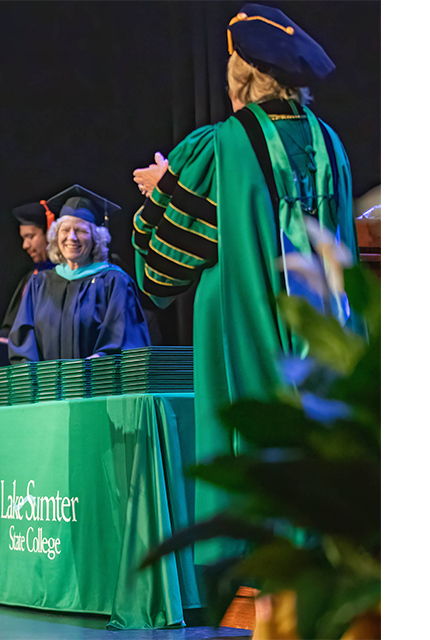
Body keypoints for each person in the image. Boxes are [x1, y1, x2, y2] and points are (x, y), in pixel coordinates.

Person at [130, 4, 357, 559]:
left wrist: (162, 188)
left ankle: (265, 598)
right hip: (326, 331)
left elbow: (162, 269)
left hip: (246, 323)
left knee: (255, 454)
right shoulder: (331, 143)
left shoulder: (222, 145)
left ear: (240, 80)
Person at [8, 184, 151, 362]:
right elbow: (23, 344)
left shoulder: (113, 282)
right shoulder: (39, 283)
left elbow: (124, 339)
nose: (71, 238)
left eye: (81, 230)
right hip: (47, 387)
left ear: (96, 239)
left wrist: (94, 366)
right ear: (55, 235)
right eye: (65, 230)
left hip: (98, 384)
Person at [0, 201, 55, 354]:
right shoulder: (31, 278)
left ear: (50, 233)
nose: (25, 245)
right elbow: (11, 325)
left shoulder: (62, 278)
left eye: (30, 236)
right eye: (23, 238)